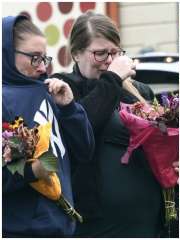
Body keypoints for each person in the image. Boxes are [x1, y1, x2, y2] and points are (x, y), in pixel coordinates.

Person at [52, 11, 177, 237]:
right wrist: (113, 79)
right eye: (100, 54)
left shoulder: (140, 91)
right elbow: (82, 128)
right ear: (76, 53)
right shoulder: (65, 89)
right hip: (97, 222)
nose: (109, 61)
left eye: (115, 53)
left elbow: (161, 143)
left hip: (147, 216)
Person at [2, 15, 94, 237]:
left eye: (45, 58)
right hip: (24, 230)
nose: (43, 67)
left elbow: (85, 151)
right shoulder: (5, 100)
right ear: (6, 53)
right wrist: (33, 171)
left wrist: (70, 108)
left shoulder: (49, 90)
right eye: (34, 58)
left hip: (63, 225)